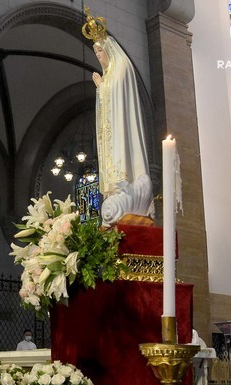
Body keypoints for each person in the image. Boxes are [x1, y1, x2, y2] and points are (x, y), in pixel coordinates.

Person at [82, 9, 154, 225]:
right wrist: (102, 87)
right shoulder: (110, 72)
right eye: (95, 53)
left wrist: (102, 87)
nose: (98, 56)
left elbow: (118, 99)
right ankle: (117, 187)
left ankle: (124, 180)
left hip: (122, 129)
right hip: (113, 128)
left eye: (100, 52)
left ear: (109, 50)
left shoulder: (121, 67)